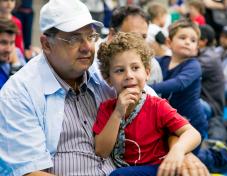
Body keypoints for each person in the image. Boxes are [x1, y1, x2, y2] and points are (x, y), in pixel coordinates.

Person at [0, 0, 210, 175]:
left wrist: (180, 153)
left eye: (90, 36)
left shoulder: (109, 69)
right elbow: (29, 172)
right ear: (46, 44)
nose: (87, 47)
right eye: (73, 38)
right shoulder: (19, 94)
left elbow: (158, 113)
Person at [93, 32, 201, 176]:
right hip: (129, 169)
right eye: (120, 70)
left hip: (159, 169)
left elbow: (193, 133)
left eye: (135, 68)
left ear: (147, 73)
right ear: (108, 79)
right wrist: (118, 112)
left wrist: (178, 150)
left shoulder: (157, 105)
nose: (129, 75)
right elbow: (101, 151)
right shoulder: (107, 108)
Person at [150, 19, 208, 143]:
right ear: (169, 42)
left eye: (193, 40)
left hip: (192, 120)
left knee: (190, 156)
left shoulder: (194, 65)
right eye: (182, 37)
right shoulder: (161, 61)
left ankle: (218, 155)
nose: (187, 42)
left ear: (197, 47)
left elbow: (178, 83)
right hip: (170, 120)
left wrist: (147, 87)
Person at [90, 4, 163, 87]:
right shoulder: (90, 61)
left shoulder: (152, 64)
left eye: (144, 37)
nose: (140, 43)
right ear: (112, 34)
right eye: (133, 36)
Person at [0, 19, 24, 89]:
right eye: (3, 42)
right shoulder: (15, 58)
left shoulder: (16, 52)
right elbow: (11, 96)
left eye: (12, 42)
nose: (9, 49)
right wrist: (15, 64)